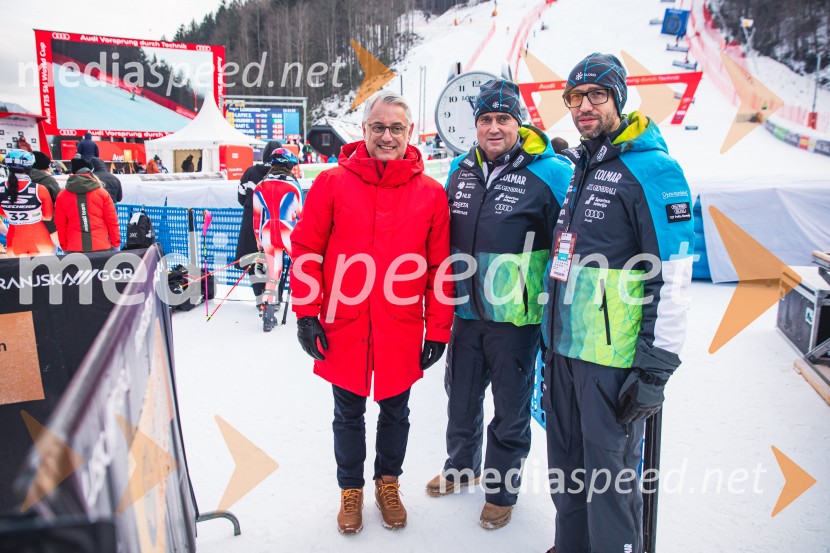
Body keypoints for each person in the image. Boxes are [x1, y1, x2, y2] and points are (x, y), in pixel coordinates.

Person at [542, 53, 694, 553]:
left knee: (610, 479)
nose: (584, 106)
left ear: (618, 100)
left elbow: (674, 276)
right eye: (575, 98)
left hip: (614, 361)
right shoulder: (583, 165)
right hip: (567, 353)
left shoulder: (651, 168)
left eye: (596, 95)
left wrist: (656, 369)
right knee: (566, 466)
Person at [289, 91, 453, 535]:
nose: (386, 136)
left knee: (396, 410)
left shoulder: (431, 194)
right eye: (377, 127)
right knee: (347, 411)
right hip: (344, 323)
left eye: (395, 128)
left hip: (399, 326)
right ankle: (351, 490)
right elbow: (307, 249)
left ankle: (388, 483)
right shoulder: (331, 183)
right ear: (363, 131)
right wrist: (306, 312)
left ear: (409, 133)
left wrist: (438, 329)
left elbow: (440, 267)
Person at [426, 79, 571, 530]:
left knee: (510, 407)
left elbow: (569, 243)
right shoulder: (460, 169)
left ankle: (501, 490)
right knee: (461, 397)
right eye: (485, 119)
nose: (493, 127)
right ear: (475, 125)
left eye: (503, 119)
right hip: (467, 312)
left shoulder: (551, 171)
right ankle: (462, 465)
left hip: (517, 318)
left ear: (519, 122)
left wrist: (556, 309)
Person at [251, 148, 303, 332]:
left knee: (273, 273)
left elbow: (256, 217)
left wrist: (258, 238)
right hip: (288, 231)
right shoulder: (293, 186)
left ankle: (268, 312)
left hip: (267, 231)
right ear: (289, 165)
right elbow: (300, 215)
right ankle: (306, 307)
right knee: (301, 267)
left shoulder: (260, 186)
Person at [235, 140, 283, 306]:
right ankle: (274, 299)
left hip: (251, 223)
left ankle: (259, 299)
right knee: (275, 261)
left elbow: (241, 197)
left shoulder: (250, 172)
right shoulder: (283, 175)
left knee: (255, 260)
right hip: (274, 224)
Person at [54, 158, 120, 252]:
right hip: (101, 247)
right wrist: (116, 243)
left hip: (74, 247)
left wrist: (64, 246)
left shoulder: (62, 195)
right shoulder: (102, 193)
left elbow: (60, 224)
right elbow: (112, 221)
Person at [0, 149, 55, 257]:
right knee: (43, 272)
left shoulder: (1, 188)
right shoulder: (39, 189)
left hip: (14, 239)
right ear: (29, 167)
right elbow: (48, 216)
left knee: (20, 273)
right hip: (39, 237)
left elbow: (3, 214)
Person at [30, 151, 61, 238]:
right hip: (49, 225)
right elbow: (60, 199)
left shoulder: (15, 180)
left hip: (22, 226)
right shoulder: (48, 180)